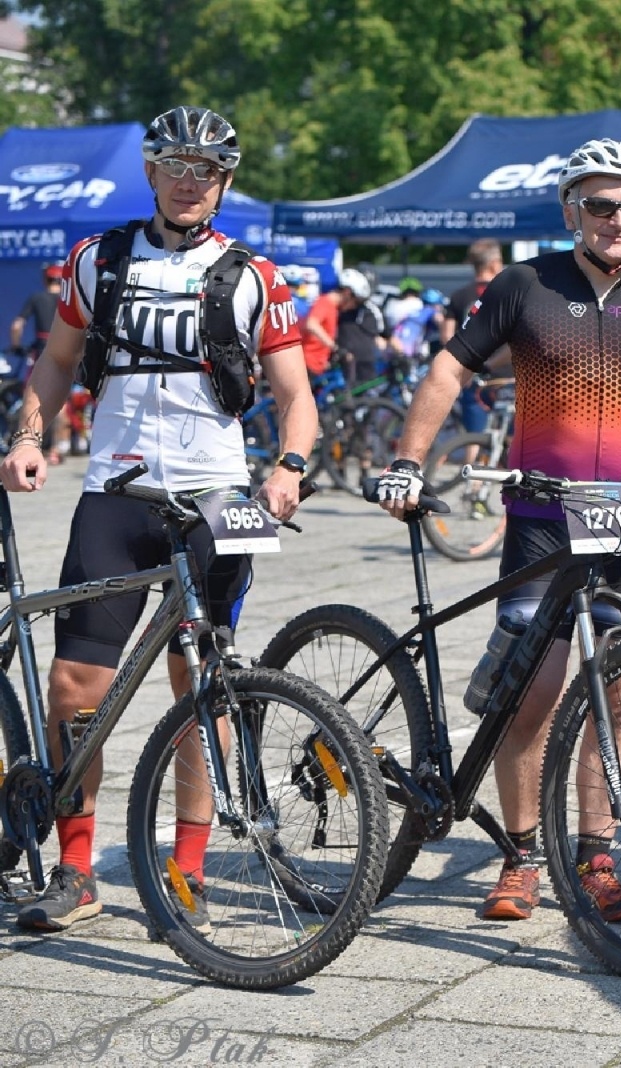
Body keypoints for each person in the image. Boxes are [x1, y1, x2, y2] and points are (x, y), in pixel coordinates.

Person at [374, 137, 621, 923]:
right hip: (542, 515)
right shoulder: (524, 283)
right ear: (571, 210)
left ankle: (597, 858)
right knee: (531, 692)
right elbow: (449, 369)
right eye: (600, 206)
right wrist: (408, 460)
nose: (617, 220)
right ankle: (522, 853)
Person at [0, 105, 316, 932]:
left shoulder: (255, 277)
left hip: (214, 498)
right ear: (150, 171)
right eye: (175, 163)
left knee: (202, 691)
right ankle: (77, 871)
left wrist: (288, 467)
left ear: (226, 181)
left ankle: (187, 871)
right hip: (116, 493)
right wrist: (30, 437)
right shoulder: (97, 260)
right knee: (75, 688)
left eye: (205, 169)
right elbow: (57, 361)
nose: (188, 179)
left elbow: (297, 400)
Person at [442, 239, 507, 441]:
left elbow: (447, 337)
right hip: (507, 375)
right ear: (494, 264)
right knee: (511, 438)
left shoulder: (459, 296)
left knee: (474, 439)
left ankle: (475, 472)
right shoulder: (510, 293)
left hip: (472, 374)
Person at [10, 262, 71, 462]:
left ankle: (31, 445)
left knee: (35, 396)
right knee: (64, 402)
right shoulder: (66, 299)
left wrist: (16, 346)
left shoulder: (37, 298)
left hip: (42, 349)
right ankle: (57, 448)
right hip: (68, 347)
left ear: (46, 278)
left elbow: (17, 325)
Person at [299, 269, 362, 379]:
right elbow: (311, 324)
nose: (354, 307)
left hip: (317, 366)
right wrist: (335, 347)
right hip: (307, 364)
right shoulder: (324, 302)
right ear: (347, 292)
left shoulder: (334, 309)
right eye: (356, 302)